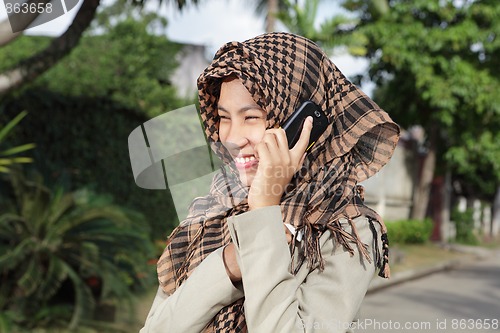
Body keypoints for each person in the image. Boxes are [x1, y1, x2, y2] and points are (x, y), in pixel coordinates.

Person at [140, 32, 399, 333]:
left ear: (302, 126)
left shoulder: (344, 227)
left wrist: (263, 210)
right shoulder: (214, 207)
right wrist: (228, 265)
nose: (233, 138)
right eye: (224, 117)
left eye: (251, 117)